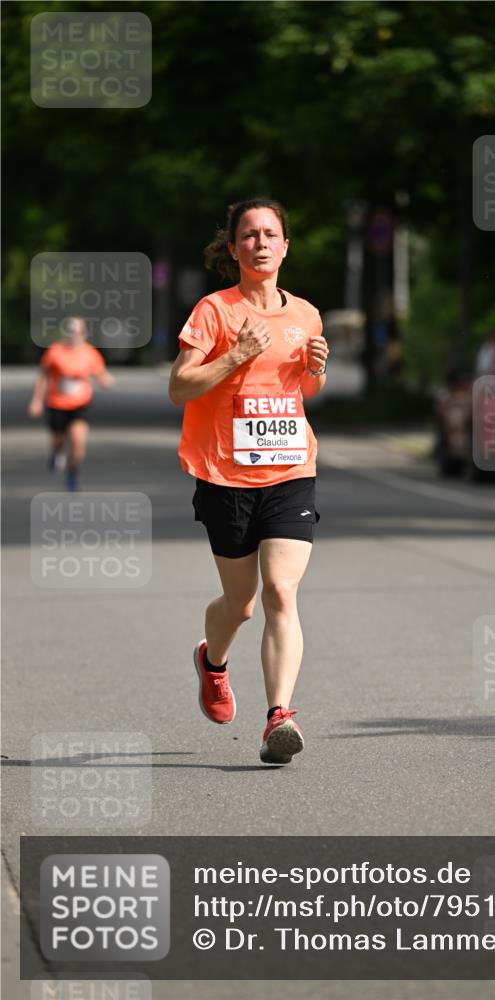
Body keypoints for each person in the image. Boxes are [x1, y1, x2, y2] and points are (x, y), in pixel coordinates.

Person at [168, 197, 328, 765]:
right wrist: (235, 354)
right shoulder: (214, 311)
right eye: (249, 235)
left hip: (289, 471)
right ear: (234, 248)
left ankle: (279, 716)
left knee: (282, 591)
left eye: (270, 234)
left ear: (285, 246)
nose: (260, 243)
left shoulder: (305, 315)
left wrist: (316, 368)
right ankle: (212, 661)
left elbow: (305, 394)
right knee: (240, 605)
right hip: (224, 476)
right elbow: (181, 387)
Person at [28, 317, 115, 491]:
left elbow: (101, 375)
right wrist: (36, 401)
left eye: (77, 331)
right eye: (70, 331)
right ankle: (56, 453)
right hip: (57, 404)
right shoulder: (55, 351)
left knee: (78, 441)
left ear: (84, 333)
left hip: (80, 404)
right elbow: (43, 377)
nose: (73, 334)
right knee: (58, 441)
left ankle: (72, 474)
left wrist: (106, 381)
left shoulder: (90, 353)